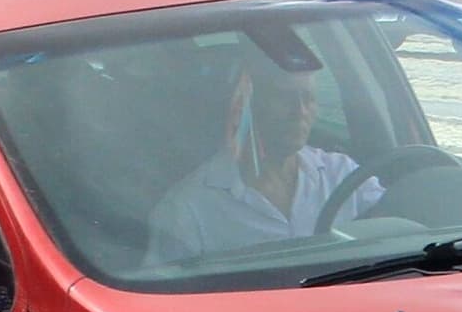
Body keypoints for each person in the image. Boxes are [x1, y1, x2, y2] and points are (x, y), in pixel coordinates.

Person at [147, 59, 381, 266]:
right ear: (246, 104)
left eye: (308, 98)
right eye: (284, 98)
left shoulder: (343, 175)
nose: (299, 111)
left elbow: (402, 224)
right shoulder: (188, 209)